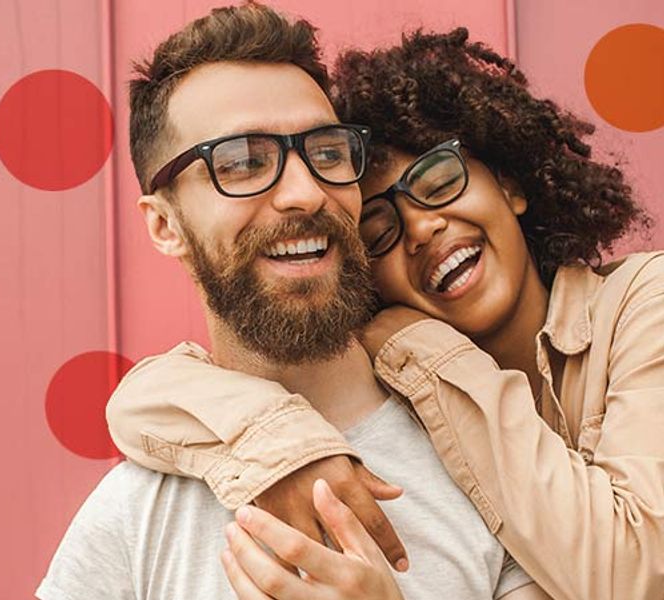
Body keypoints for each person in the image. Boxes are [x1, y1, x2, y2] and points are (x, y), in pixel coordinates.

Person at [105, 17, 664, 600]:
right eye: (379, 228)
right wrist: (287, 445)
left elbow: (638, 578)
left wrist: (416, 341)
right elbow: (139, 403)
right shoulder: (396, 413)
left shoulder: (645, 301)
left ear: (510, 183)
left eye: (440, 180)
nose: (421, 228)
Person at [37, 3, 548, 599]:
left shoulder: (487, 455)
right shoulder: (131, 521)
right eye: (243, 162)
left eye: (327, 153)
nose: (305, 192)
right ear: (164, 225)